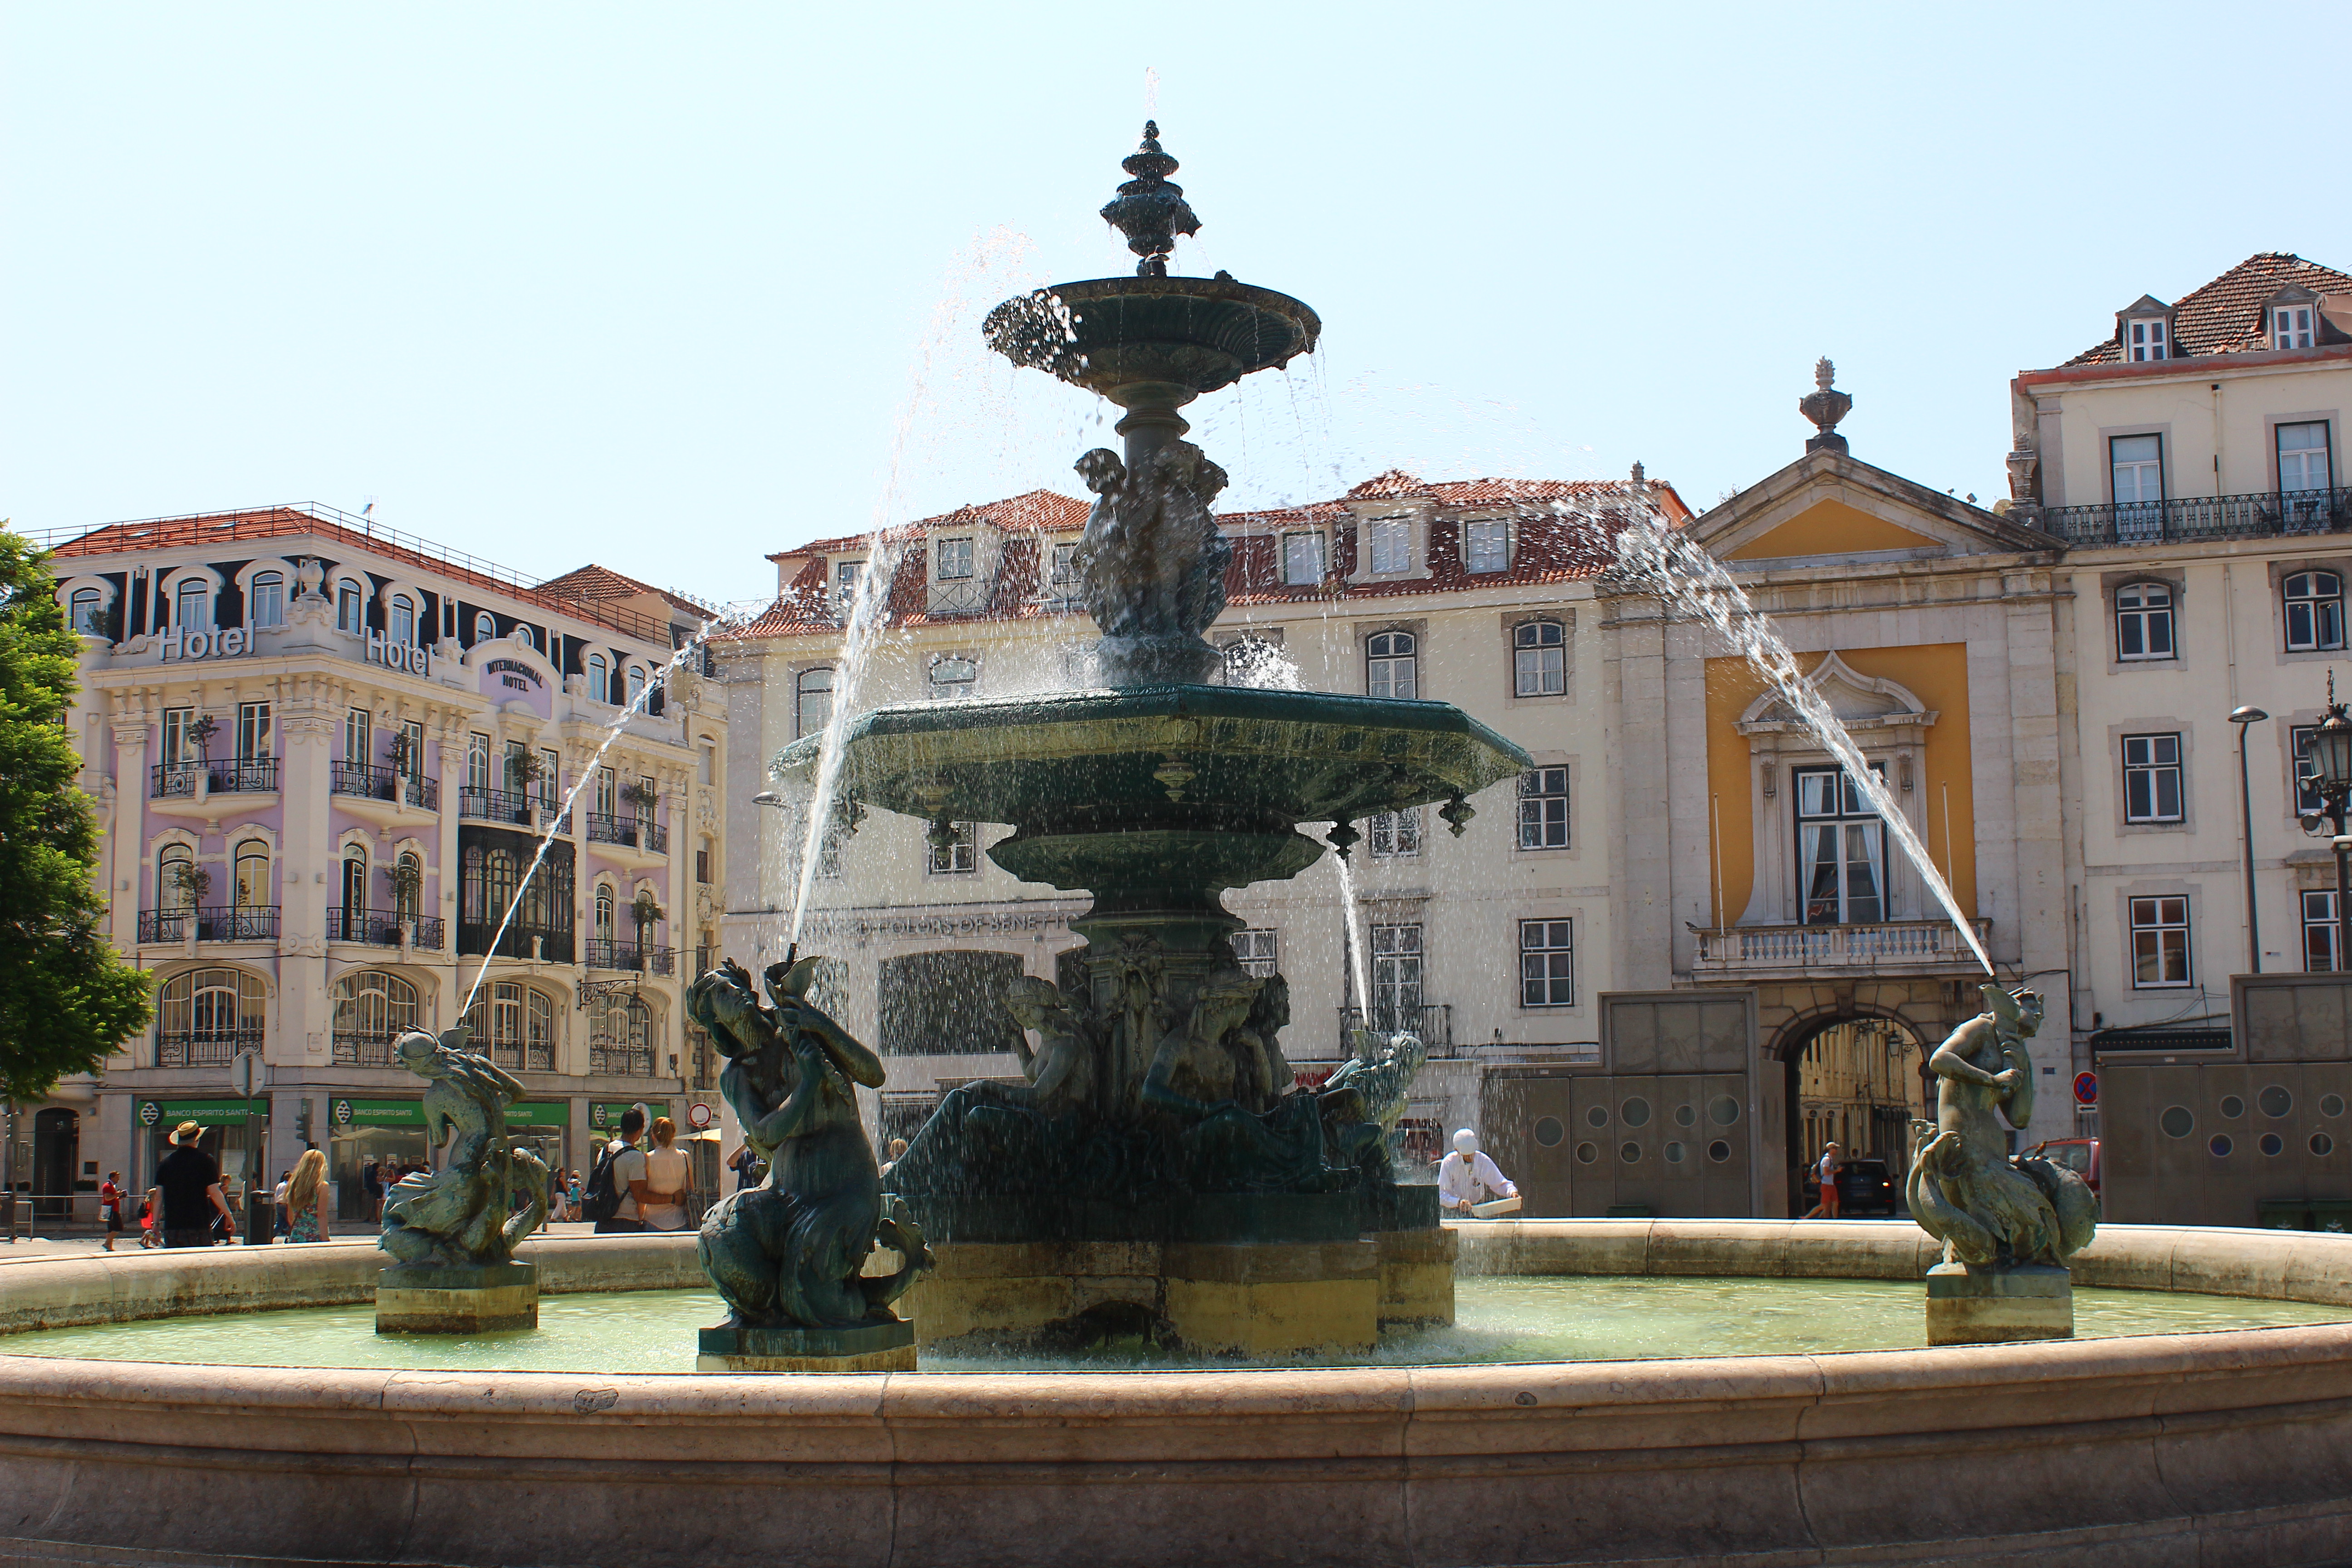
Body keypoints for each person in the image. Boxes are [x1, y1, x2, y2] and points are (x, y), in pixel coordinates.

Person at [153, 1122, 240, 1248]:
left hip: (173, 1226)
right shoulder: (206, 1160)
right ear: (197, 1139)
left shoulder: (165, 1163)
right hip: (199, 1225)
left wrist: (155, 1225)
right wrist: (229, 1216)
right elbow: (215, 1193)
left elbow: (158, 1197)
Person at [1437, 1128, 1519, 1216]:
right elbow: (1441, 1195)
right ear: (1457, 1151)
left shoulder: (1483, 1160)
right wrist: (1458, 1203)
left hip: (1478, 1209)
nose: (1470, 1158)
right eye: (1466, 1156)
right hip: (1453, 1211)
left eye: (1472, 1154)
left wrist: (1512, 1192)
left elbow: (1500, 1183)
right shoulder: (1449, 1163)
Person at [630, 1117, 692, 1232]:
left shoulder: (647, 1159)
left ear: (653, 1136)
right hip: (680, 1220)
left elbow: (642, 1195)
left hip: (653, 1220)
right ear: (673, 1134)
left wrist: (640, 1219)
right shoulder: (685, 1156)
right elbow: (690, 1189)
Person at [595, 1107, 648, 1233]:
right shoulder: (635, 1157)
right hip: (626, 1220)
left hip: (604, 1216)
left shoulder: (606, 1149)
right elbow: (639, 1195)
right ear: (640, 1130)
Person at [282, 1148, 331, 1242]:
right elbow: (322, 1216)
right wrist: (325, 1239)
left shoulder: (292, 1185)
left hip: (296, 1237)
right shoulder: (322, 1186)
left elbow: (290, 1216)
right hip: (315, 1237)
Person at [1804, 1142, 1844, 1220]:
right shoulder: (1827, 1159)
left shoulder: (1830, 1159)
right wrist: (1837, 1171)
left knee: (1835, 1204)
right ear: (1830, 1149)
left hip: (1831, 1185)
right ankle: (1806, 1217)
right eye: (1835, 1149)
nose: (1836, 1150)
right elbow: (1826, 1173)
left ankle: (1834, 1220)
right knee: (1824, 1205)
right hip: (1826, 1185)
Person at [99, 1171, 124, 1252]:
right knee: (118, 1228)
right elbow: (108, 1198)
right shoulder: (108, 1186)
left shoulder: (112, 1186)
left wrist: (119, 1197)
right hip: (112, 1210)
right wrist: (118, 1195)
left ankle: (109, 1246)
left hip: (113, 1209)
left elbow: (112, 1197)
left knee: (111, 1229)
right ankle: (107, 1243)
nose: (118, 1180)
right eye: (117, 1178)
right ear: (112, 1177)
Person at [272, 1169, 291, 1236]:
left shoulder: (280, 1184)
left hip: (278, 1204)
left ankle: (271, 1235)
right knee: (291, 1222)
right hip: (285, 1205)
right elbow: (288, 1196)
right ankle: (290, 1237)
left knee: (279, 1223)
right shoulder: (288, 1185)